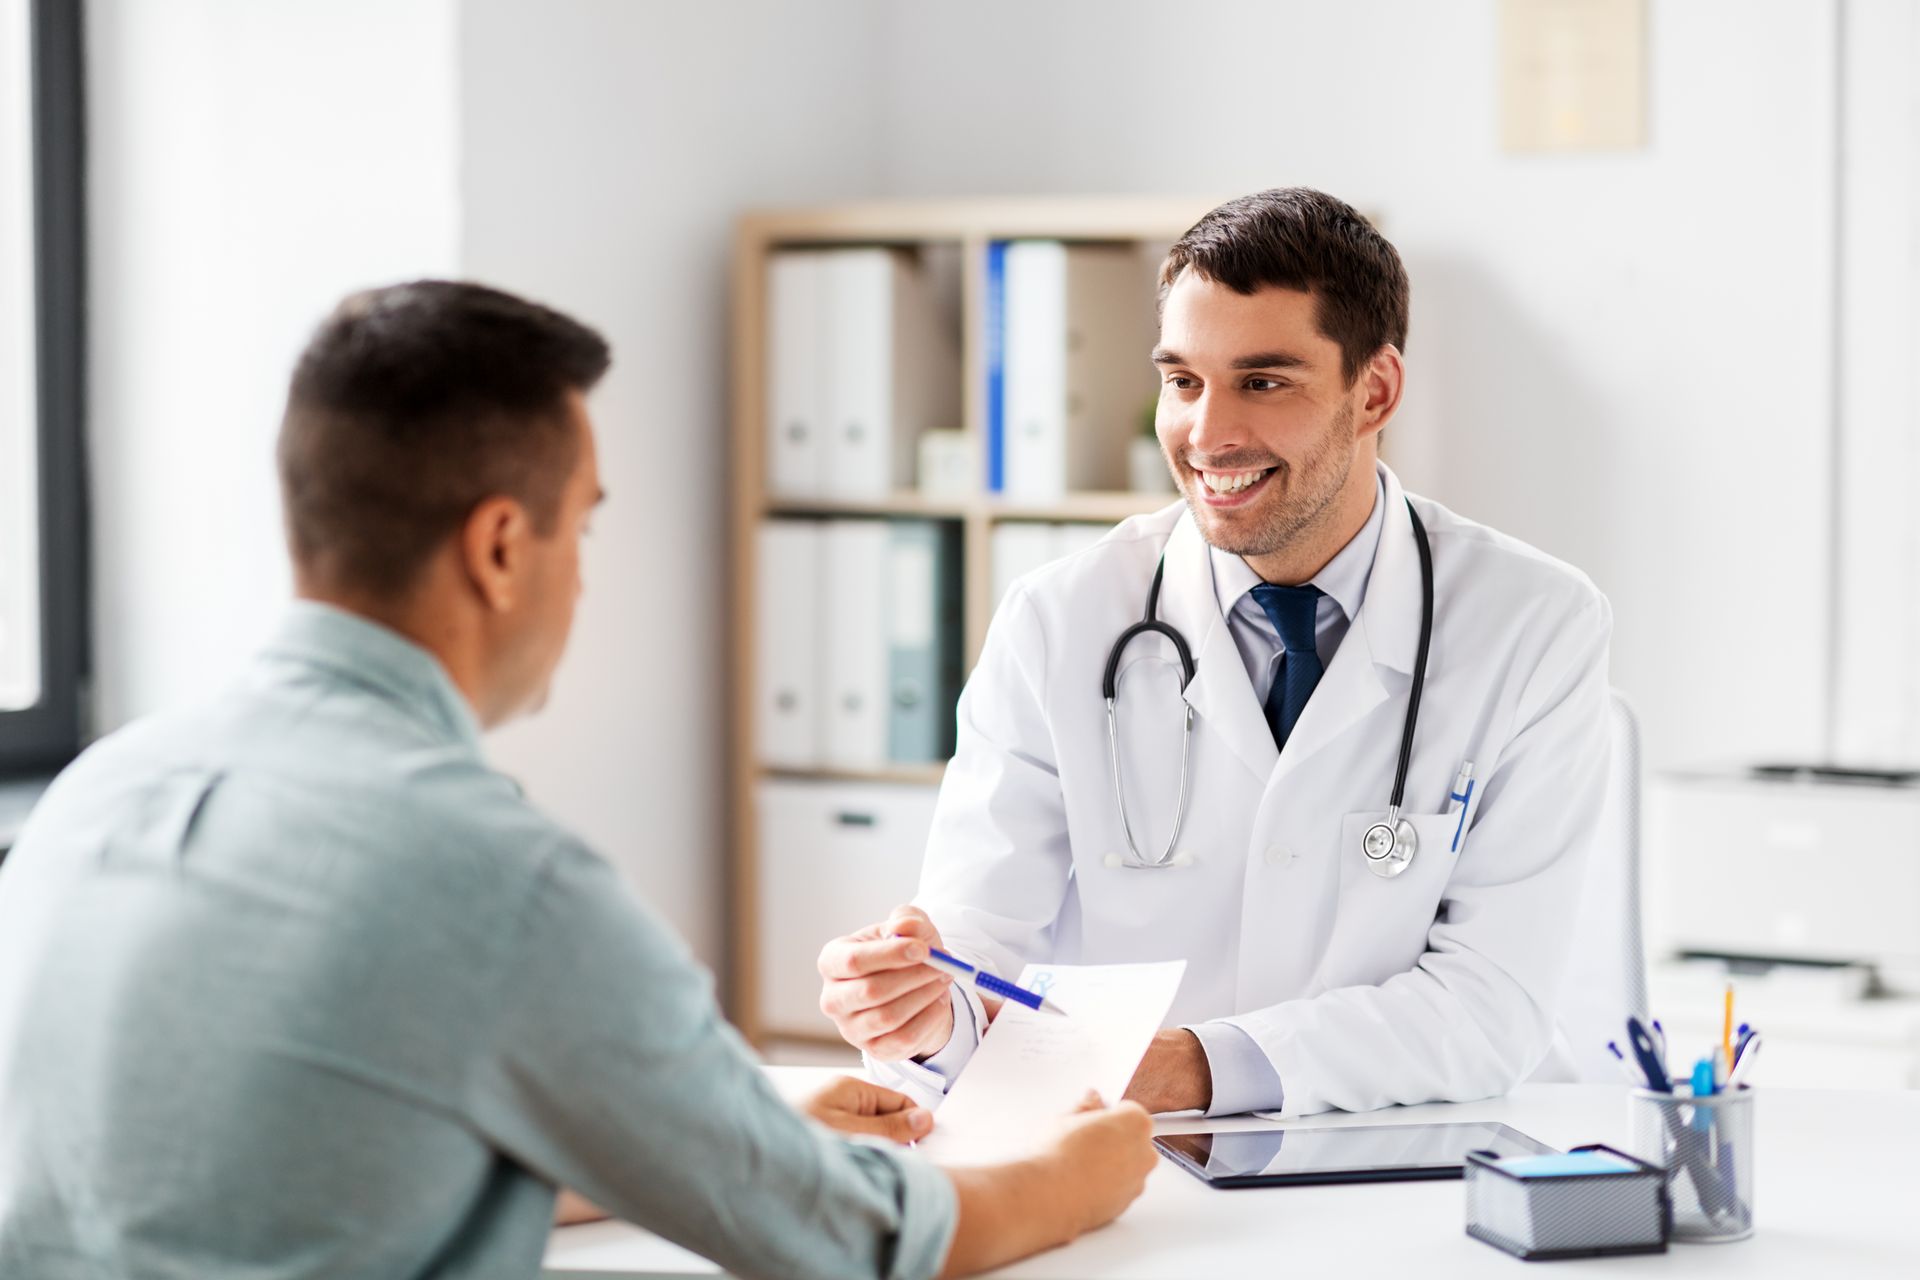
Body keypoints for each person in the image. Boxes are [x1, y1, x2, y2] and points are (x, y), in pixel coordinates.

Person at [0, 282, 1154, 1279]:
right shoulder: (495, 878)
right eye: (581, 530)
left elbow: (306, 1171)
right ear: (502, 546)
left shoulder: (95, 796)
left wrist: (714, 1132)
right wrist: (1072, 1174)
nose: (582, 582)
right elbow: (856, 1236)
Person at [819, 188, 1614, 1119]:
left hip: (1407, 1156)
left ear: (1376, 392)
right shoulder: (1059, 620)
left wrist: (1190, 1067)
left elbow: (1489, 1006)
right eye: (1183, 381)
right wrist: (920, 1013)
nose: (1206, 436)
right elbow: (974, 954)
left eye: (1263, 382)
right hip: (1130, 1156)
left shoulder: (1534, 624)